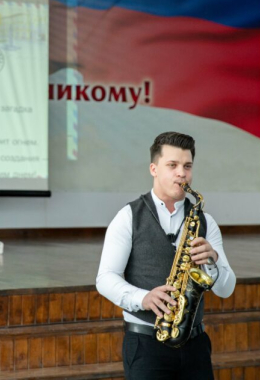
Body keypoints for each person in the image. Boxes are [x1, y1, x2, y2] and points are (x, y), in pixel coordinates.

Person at [96, 131, 236, 380]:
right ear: (154, 169)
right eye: (172, 165)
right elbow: (105, 278)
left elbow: (226, 289)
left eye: (187, 166)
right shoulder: (128, 217)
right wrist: (144, 298)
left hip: (195, 345)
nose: (182, 173)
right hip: (146, 345)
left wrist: (212, 260)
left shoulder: (206, 222)